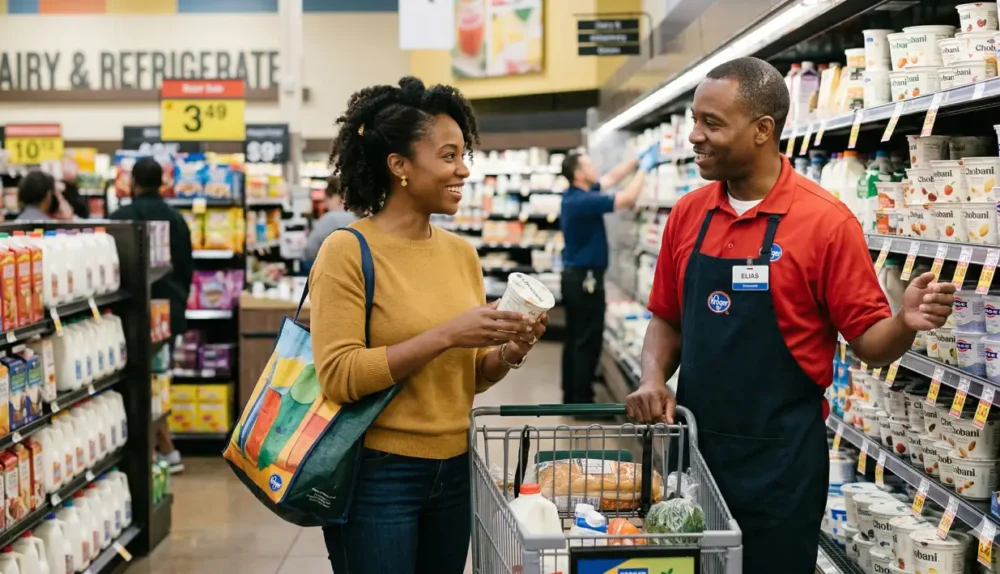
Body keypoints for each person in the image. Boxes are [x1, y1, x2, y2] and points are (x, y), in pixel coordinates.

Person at [624, 57, 955, 574]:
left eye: (712, 123)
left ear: (762, 130)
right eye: (694, 120)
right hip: (694, 448)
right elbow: (667, 318)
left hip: (780, 465)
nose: (694, 136)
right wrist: (651, 378)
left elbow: (869, 343)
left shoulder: (826, 223)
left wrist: (903, 323)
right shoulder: (688, 215)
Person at [311, 76, 547, 573]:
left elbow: (469, 376)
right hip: (378, 473)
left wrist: (509, 349)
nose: (463, 169)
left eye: (464, 155)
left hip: (455, 468)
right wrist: (447, 334)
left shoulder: (461, 254)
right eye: (447, 156)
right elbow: (339, 375)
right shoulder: (347, 251)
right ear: (399, 165)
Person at [110, 157, 194, 474]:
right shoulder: (177, 220)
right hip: (166, 313)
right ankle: (163, 449)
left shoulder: (120, 218)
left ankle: (154, 451)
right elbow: (186, 269)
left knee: (137, 381)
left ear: (133, 182)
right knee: (156, 377)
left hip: (129, 315)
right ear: (162, 183)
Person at [560, 146, 658, 405]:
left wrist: (637, 158)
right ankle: (582, 401)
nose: (595, 168)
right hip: (586, 281)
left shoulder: (577, 195)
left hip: (576, 278)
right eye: (589, 164)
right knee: (587, 341)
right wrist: (645, 169)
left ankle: (571, 395)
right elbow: (626, 198)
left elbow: (612, 177)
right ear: (579, 174)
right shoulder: (582, 202)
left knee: (575, 338)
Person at [304, 174, 358, 262]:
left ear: (336, 197)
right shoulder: (357, 217)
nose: (325, 205)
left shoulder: (331, 218)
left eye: (326, 199)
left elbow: (310, 249)